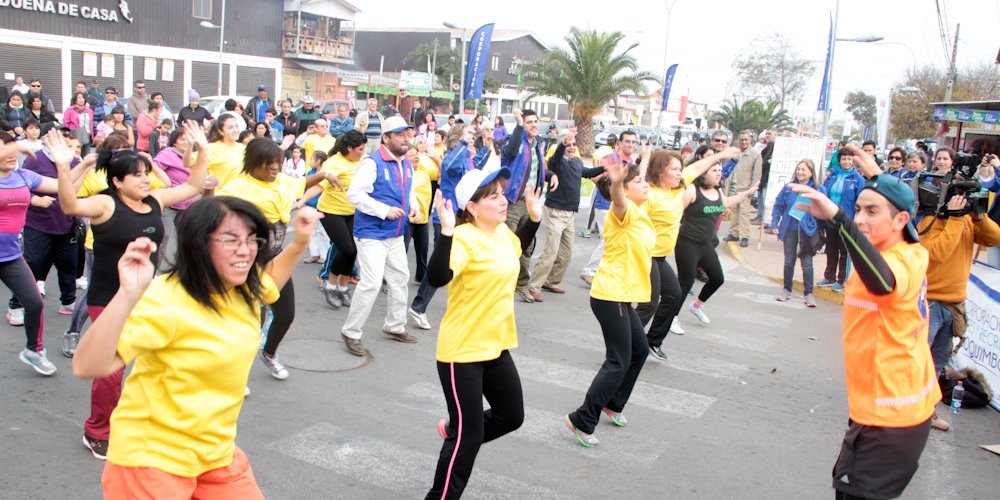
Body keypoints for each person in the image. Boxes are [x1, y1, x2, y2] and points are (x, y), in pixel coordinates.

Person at [72, 196, 319, 499]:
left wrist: (298, 243)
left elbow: (270, 286)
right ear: (199, 244)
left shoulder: (241, 285)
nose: (245, 250)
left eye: (252, 239)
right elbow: (88, 366)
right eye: (230, 240)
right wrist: (127, 295)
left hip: (215, 454)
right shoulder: (166, 300)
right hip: (151, 459)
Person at [788, 147, 939, 500]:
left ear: (901, 221)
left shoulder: (902, 260)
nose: (861, 219)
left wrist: (839, 216)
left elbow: (882, 282)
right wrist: (877, 179)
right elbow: (892, 212)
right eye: (858, 210)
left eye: (872, 211)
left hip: (890, 420)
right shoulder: (907, 247)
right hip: (886, 410)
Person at [54, 123, 209, 460]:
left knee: (157, 360)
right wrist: (64, 166)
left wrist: (203, 149)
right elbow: (68, 206)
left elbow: (195, 185)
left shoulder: (155, 198)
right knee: (111, 370)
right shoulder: (104, 205)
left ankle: (146, 419)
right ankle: (96, 431)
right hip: (108, 297)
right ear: (117, 182)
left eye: (146, 173)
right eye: (137, 175)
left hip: (148, 295)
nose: (145, 179)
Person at [424, 167, 540, 498]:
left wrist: (533, 217)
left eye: (502, 194)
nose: (503, 201)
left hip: (495, 346)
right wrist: (446, 232)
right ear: (472, 207)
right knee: (468, 438)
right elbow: (437, 277)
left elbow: (517, 247)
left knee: (511, 416)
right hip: (461, 352)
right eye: (493, 197)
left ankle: (456, 429)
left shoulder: (503, 233)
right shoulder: (463, 239)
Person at [564, 153, 654, 448]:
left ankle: (613, 403)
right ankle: (582, 418)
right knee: (618, 360)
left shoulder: (641, 210)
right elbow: (617, 198)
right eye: (639, 181)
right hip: (609, 295)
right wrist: (616, 184)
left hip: (623, 296)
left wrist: (646, 158)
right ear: (625, 190)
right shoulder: (623, 211)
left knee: (639, 351)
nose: (645, 185)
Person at [216, 138, 325, 380]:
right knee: (251, 320)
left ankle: (269, 353)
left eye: (277, 163)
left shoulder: (281, 181)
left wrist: (326, 175)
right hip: (246, 262)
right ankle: (236, 373)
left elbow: (302, 182)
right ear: (253, 164)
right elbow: (210, 216)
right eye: (268, 164)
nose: (274, 169)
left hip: (277, 259)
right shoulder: (235, 189)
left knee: (286, 314)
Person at [639, 147, 741, 359]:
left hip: (659, 257)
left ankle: (652, 342)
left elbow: (698, 166)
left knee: (674, 294)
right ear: (659, 172)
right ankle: (626, 341)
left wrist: (722, 155)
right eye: (674, 169)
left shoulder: (677, 187)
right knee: (649, 304)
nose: (679, 173)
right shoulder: (649, 195)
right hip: (644, 256)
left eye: (680, 169)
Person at [341, 116, 420, 356]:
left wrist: (413, 205)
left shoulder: (405, 162)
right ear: (385, 138)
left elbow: (409, 190)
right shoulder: (372, 163)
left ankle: (395, 326)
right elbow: (354, 195)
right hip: (371, 234)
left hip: (395, 234)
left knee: (399, 278)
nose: (406, 140)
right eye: (400, 135)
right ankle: (351, 331)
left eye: (408, 135)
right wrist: (383, 211)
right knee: (372, 283)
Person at [407, 123, 491, 330]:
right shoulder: (454, 155)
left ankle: (466, 306)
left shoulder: (466, 157)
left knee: (462, 261)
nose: (474, 136)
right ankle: (418, 307)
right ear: (459, 137)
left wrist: (487, 146)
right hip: (446, 215)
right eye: (470, 133)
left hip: (461, 216)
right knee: (443, 262)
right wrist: (464, 142)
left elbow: (474, 170)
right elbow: (450, 166)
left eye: (474, 134)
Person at [0, 138, 62, 375]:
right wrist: (15, 146)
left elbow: (59, 186)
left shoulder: (23, 176)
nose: (10, 154)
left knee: (35, 303)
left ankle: (33, 351)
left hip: (10, 257)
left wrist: (82, 164)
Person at [673, 159, 759, 326]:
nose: (719, 173)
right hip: (687, 243)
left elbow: (726, 203)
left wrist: (749, 191)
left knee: (717, 278)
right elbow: (675, 212)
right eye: (714, 170)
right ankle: (672, 317)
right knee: (686, 281)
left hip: (705, 244)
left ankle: (697, 305)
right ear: (703, 173)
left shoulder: (718, 192)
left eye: (719, 170)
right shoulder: (692, 190)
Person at [10, 129, 82, 323]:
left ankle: (68, 301)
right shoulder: (35, 160)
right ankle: (16, 305)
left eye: (67, 138)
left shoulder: (74, 162)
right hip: (38, 224)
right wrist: (35, 200)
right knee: (32, 266)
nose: (63, 142)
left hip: (65, 224)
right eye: (58, 137)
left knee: (68, 265)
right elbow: (20, 186)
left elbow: (74, 188)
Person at [527, 132, 604, 300]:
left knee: (566, 253)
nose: (571, 147)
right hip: (555, 211)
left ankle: (551, 281)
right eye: (569, 145)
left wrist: (606, 168)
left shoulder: (576, 162)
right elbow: (552, 162)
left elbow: (588, 172)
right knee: (551, 252)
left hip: (570, 214)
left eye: (573, 145)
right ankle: (533, 286)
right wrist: (562, 143)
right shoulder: (558, 162)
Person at [296, 131, 367, 308]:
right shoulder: (334, 163)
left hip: (352, 211)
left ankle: (343, 289)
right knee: (346, 249)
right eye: (359, 149)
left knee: (353, 250)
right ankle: (329, 285)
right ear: (349, 148)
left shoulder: (363, 159)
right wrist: (302, 201)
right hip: (331, 211)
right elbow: (318, 187)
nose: (362, 152)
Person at [500, 109, 546, 302]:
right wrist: (519, 124)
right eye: (529, 122)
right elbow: (511, 153)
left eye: (535, 121)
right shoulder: (513, 141)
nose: (534, 125)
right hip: (513, 200)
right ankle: (502, 284)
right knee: (509, 244)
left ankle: (522, 283)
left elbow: (532, 170)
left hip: (530, 201)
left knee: (526, 246)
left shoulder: (537, 145)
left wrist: (551, 176)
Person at [770, 159, 825, 308]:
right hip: (789, 229)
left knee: (806, 263)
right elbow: (778, 205)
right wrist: (774, 223)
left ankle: (809, 293)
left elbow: (824, 208)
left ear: (811, 173)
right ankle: (786, 289)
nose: (800, 172)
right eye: (798, 169)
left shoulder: (818, 189)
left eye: (804, 170)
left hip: (808, 231)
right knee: (789, 261)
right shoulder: (789, 188)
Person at [153, 128, 203, 270]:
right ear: (174, 141)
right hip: (171, 204)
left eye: (188, 139)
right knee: (167, 237)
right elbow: (153, 169)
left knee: (187, 237)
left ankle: (181, 268)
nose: (186, 142)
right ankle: (160, 271)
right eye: (182, 139)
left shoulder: (194, 156)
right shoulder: (167, 154)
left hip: (189, 203)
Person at [818, 147, 866, 292]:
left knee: (844, 250)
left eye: (849, 159)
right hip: (830, 218)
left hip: (847, 219)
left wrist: (858, 219)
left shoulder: (858, 179)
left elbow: (861, 201)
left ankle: (842, 279)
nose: (846, 162)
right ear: (839, 160)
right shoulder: (832, 176)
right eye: (844, 159)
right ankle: (829, 277)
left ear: (853, 161)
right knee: (831, 248)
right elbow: (824, 194)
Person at [722, 130, 762, 247]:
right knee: (733, 212)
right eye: (742, 140)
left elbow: (757, 174)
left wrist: (752, 188)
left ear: (750, 140)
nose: (744, 142)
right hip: (734, 189)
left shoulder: (755, 154)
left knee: (744, 214)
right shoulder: (735, 153)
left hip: (746, 189)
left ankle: (744, 236)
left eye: (746, 140)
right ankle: (733, 233)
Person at [204, 114, 246, 189]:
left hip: (241, 196)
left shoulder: (244, 148)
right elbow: (189, 163)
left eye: (236, 126)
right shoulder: (211, 148)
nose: (235, 130)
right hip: (221, 197)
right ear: (221, 131)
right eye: (230, 127)